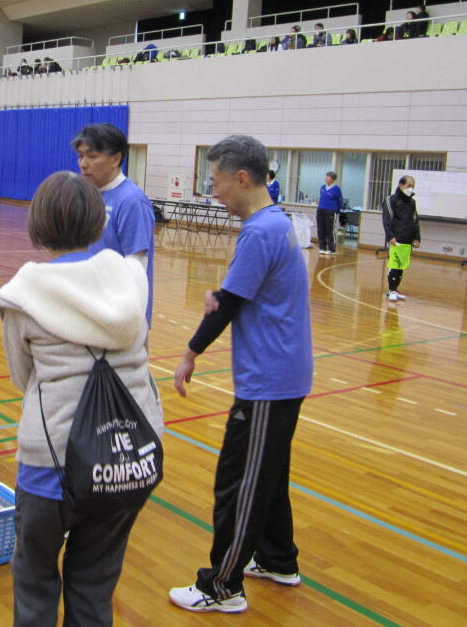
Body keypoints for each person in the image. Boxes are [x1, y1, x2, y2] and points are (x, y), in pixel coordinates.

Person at [0, 171, 163, 627]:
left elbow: (23, 378)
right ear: (99, 221)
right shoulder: (130, 278)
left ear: (38, 225)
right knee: (94, 584)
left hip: (52, 463)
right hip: (128, 459)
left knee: (35, 580)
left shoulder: (23, 293)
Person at [169, 135, 312, 615]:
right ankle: (277, 559)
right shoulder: (276, 223)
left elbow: (228, 304)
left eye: (216, 183)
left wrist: (189, 354)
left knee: (239, 481)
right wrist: (220, 296)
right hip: (283, 375)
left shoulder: (259, 231)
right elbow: (241, 293)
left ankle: (222, 585)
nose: (214, 194)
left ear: (243, 179)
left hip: (269, 380)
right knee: (267, 475)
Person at [72, 123, 155, 327]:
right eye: (81, 156)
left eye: (92, 156)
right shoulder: (88, 195)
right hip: (91, 308)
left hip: (119, 318)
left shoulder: (131, 200)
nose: (83, 164)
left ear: (115, 159)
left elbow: (136, 266)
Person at [381, 175, 421, 302]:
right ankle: (391, 290)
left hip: (407, 239)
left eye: (413, 186)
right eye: (409, 186)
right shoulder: (391, 200)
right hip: (396, 239)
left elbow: (415, 221)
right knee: (394, 264)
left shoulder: (412, 202)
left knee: (401, 266)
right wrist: (390, 236)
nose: (411, 188)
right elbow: (387, 220)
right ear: (401, 185)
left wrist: (417, 238)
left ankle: (395, 289)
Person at [316, 170, 343, 255]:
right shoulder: (322, 187)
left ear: (333, 179)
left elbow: (340, 201)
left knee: (330, 230)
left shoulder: (337, 189)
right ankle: (322, 247)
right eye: (326, 176)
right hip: (321, 209)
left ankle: (331, 248)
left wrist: (336, 210)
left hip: (331, 211)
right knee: (320, 229)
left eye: (328, 177)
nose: (326, 178)